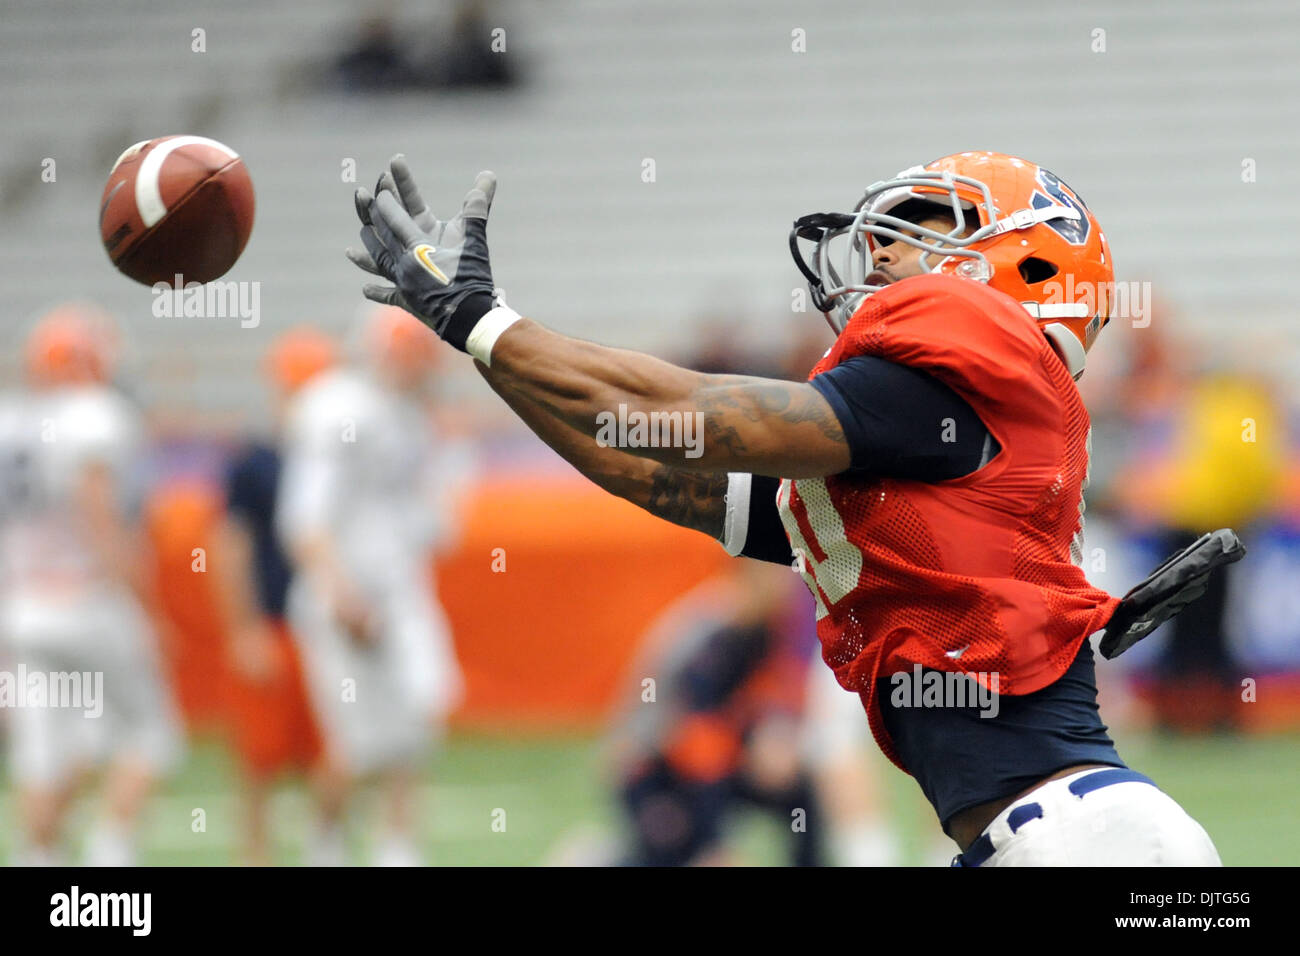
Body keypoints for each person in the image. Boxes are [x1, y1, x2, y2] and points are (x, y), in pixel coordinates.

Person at [345, 151, 1226, 866]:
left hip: (1095, 847)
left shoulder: (962, 389)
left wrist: (484, 322)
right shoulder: (919, 449)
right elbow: (639, 458)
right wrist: (477, 340)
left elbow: (681, 414)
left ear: (1021, 260)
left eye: (920, 229)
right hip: (1046, 838)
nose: (879, 252)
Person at [276, 305, 466, 866]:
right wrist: (340, 593)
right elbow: (306, 519)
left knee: (417, 721)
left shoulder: (407, 416)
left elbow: (432, 527)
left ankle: (397, 850)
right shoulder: (338, 407)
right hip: (343, 595)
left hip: (399, 591)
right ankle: (325, 843)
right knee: (358, 744)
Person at [0, 305, 182, 865]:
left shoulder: (12, 421)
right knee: (151, 733)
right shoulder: (96, 415)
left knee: (43, 750)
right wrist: (145, 603)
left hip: (25, 605)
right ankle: (111, 855)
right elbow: (99, 510)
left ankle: (41, 860)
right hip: (88, 598)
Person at [212, 327, 336, 865]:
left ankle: (322, 850)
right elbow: (230, 547)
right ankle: (256, 859)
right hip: (277, 620)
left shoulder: (334, 453)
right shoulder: (258, 459)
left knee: (337, 752)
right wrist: (244, 627)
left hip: (329, 625)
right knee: (260, 760)